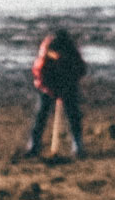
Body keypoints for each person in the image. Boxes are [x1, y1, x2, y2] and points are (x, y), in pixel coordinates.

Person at [23, 25, 88, 159]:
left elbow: (80, 70)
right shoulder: (44, 55)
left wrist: (67, 87)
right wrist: (51, 91)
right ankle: (34, 146)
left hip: (68, 85)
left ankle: (77, 146)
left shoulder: (72, 52)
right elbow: (39, 76)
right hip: (47, 86)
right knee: (41, 114)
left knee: (73, 114)